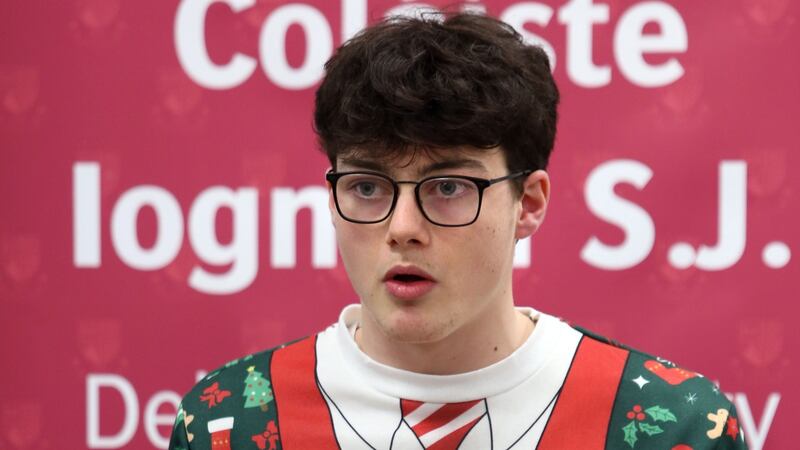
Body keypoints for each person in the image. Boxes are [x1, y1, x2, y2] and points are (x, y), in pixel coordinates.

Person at [169, 12, 746, 450]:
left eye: (447, 187)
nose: (402, 229)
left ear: (529, 203)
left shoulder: (673, 424)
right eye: (367, 186)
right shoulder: (231, 424)